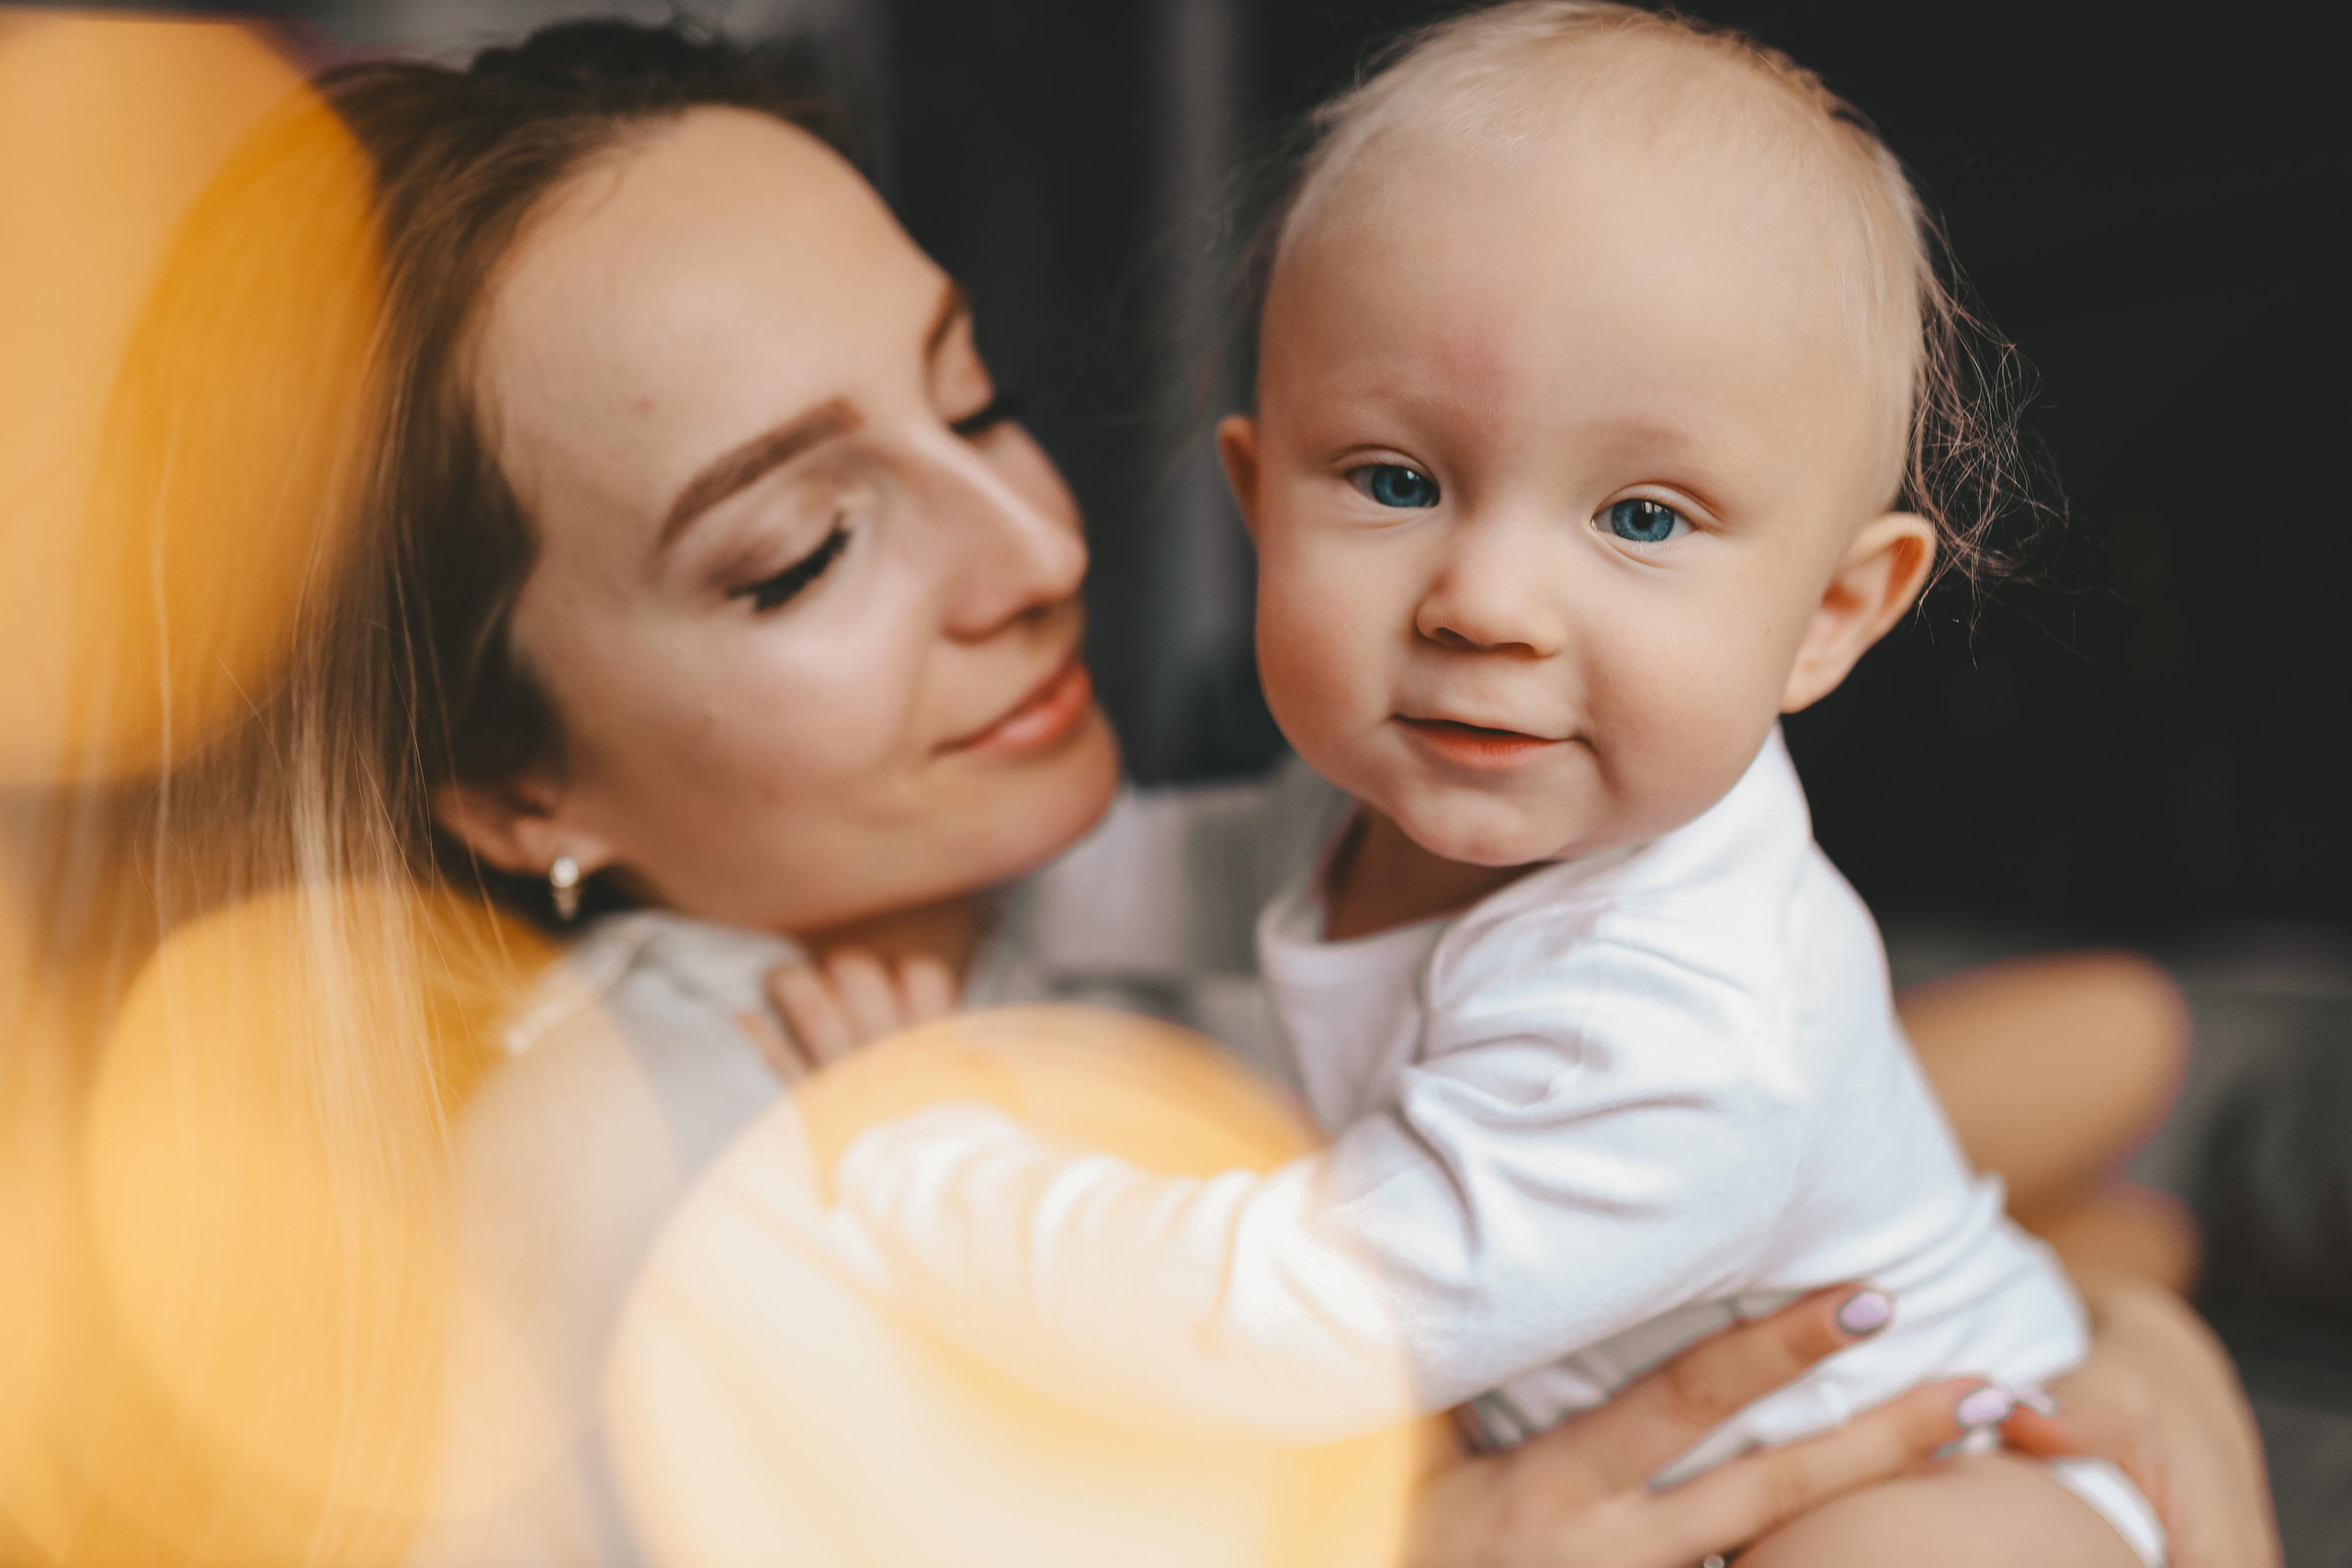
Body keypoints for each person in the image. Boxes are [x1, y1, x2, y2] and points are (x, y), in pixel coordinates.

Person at [29, 17, 2269, 1568]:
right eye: (800, 547)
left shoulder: (1157, 876)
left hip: (1831, 1318)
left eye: (974, 401)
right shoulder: (651, 1171)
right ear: (505, 781)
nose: (1039, 556)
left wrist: (2123, 1326)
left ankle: (2214, 1179)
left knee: (2109, 1069)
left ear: (1836, 607)